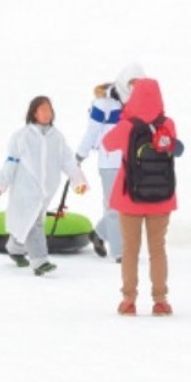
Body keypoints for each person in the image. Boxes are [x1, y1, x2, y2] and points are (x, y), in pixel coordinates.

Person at [101, 77, 182, 316]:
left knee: (130, 250)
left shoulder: (127, 126)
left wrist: (124, 117)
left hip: (130, 198)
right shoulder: (168, 124)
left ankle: (128, 300)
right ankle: (161, 300)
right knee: (158, 250)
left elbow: (107, 144)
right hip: (162, 199)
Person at [0, 95, 88, 276]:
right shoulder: (21, 137)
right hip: (25, 189)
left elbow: (68, 161)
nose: (47, 113)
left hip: (46, 191)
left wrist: (79, 181)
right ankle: (40, 261)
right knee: (33, 223)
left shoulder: (57, 137)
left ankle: (14, 248)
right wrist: (1, 183)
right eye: (42, 109)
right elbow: (11, 162)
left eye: (49, 110)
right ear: (34, 113)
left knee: (27, 221)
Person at [74, 62, 144, 263]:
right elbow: (92, 131)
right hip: (109, 162)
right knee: (114, 207)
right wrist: (79, 155)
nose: (134, 87)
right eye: (131, 82)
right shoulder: (103, 104)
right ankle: (120, 252)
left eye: (138, 83)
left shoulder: (139, 103)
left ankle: (98, 232)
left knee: (129, 205)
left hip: (132, 161)